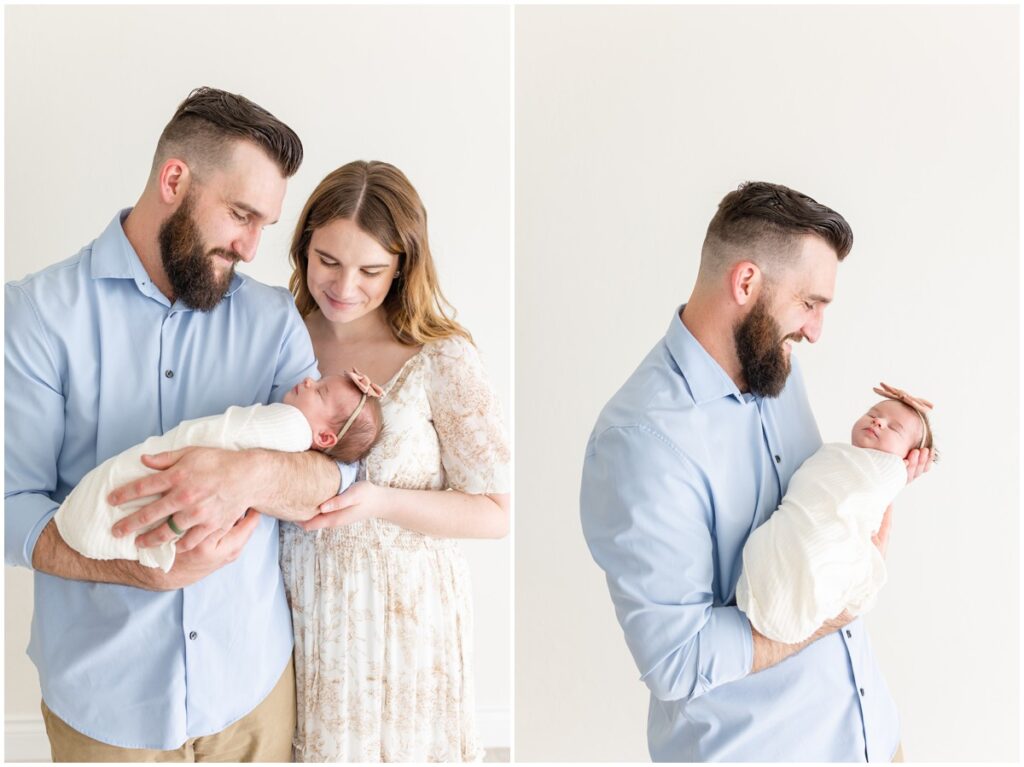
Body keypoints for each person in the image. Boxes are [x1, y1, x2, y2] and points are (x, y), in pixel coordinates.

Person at [5, 87, 357, 761]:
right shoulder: (38, 315)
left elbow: (332, 474)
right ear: (175, 180)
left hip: (252, 693)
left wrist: (245, 473)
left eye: (265, 225)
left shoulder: (272, 319)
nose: (253, 246)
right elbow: (11, 507)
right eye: (241, 214)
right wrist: (141, 572)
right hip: (105, 708)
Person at [580, 181, 934, 762]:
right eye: (810, 303)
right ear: (746, 283)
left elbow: (815, 515)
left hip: (869, 738)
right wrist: (834, 610)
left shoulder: (775, 368)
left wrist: (886, 457)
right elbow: (679, 661)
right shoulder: (640, 443)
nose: (817, 330)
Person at [279, 160, 510, 762]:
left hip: (405, 626)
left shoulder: (441, 356)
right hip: (298, 612)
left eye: (371, 269)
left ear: (404, 265)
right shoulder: (277, 336)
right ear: (303, 245)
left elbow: (494, 511)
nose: (344, 285)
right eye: (327, 260)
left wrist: (378, 502)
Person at [54, 371, 383, 573]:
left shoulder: (293, 427)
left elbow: (228, 435)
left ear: (325, 438)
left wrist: (243, 474)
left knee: (129, 491)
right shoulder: (295, 434)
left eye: (321, 391)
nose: (310, 379)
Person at [737, 383, 937, 644]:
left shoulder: (882, 475)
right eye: (874, 413)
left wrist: (900, 473)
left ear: (909, 458)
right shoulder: (833, 456)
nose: (878, 422)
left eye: (894, 428)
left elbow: (887, 477)